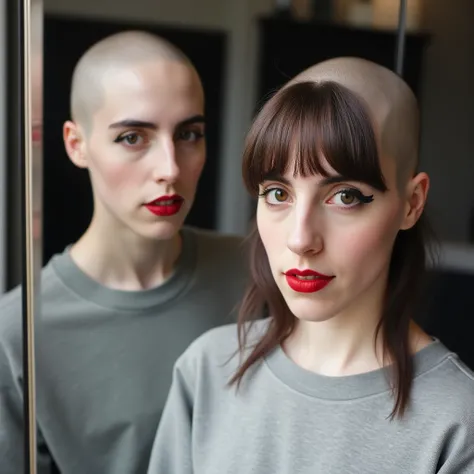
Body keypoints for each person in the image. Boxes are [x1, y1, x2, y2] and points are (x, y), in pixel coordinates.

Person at [147, 57, 474, 474]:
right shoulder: (207, 370)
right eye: (278, 194)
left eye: (345, 196)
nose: (300, 238)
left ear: (412, 203)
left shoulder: (457, 423)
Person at [0, 31, 250, 474]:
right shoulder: (16, 334)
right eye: (134, 137)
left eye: (190, 134)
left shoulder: (258, 271)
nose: (170, 168)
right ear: (76, 144)